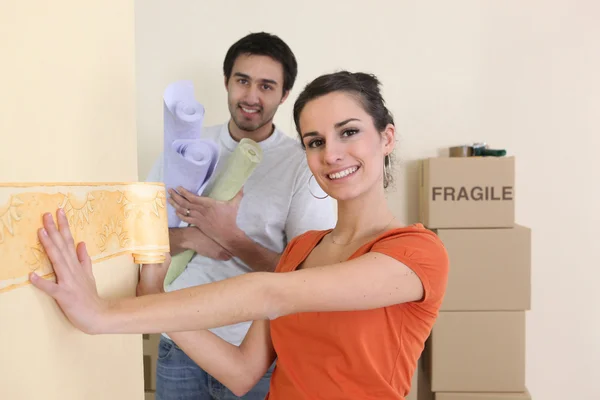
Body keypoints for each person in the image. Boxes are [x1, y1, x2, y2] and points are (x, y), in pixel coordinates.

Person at [30, 71, 449, 400]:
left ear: (386, 137)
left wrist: (102, 314)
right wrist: (153, 291)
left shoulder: (415, 253)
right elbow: (241, 372)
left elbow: (270, 293)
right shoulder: (302, 250)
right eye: (315, 141)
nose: (331, 153)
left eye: (349, 131)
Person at [144, 32, 336, 399]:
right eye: (242, 81)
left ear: (284, 95)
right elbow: (139, 237)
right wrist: (190, 238)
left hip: (254, 351)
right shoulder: (185, 146)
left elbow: (306, 280)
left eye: (266, 86)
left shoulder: (301, 164)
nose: (251, 96)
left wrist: (230, 237)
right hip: (178, 340)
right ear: (227, 83)